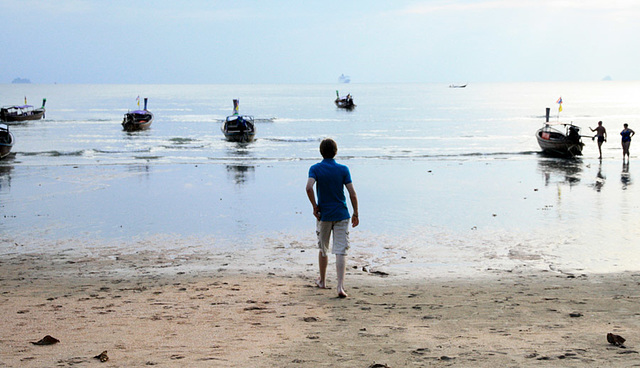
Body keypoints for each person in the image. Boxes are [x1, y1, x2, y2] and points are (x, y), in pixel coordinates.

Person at [305, 138, 359, 298]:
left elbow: (308, 187)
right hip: (342, 214)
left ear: (321, 152)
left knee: (323, 248)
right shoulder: (343, 169)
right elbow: (352, 193)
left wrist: (314, 206)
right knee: (341, 250)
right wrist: (356, 212)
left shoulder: (315, 168)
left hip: (324, 215)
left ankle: (322, 281)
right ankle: (340, 287)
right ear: (336, 152)